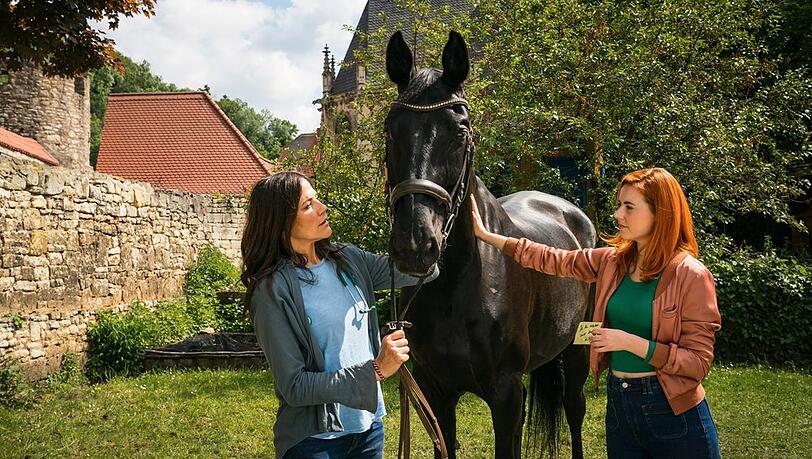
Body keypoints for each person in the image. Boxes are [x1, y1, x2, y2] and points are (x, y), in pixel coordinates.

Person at [470, 167, 722, 458]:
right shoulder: (614, 262)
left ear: (661, 213)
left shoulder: (691, 275)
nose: (618, 215)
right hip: (620, 405)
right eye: (618, 205)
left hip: (674, 412)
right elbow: (550, 259)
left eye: (629, 207)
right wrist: (488, 236)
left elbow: (697, 363)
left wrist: (628, 342)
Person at [241, 171, 438, 459]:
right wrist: (375, 370)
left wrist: (423, 210)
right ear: (281, 222)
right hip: (315, 443)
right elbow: (294, 386)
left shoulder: (348, 259)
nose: (322, 208)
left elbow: (421, 269)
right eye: (308, 205)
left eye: (316, 199)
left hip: (368, 429)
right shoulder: (272, 291)